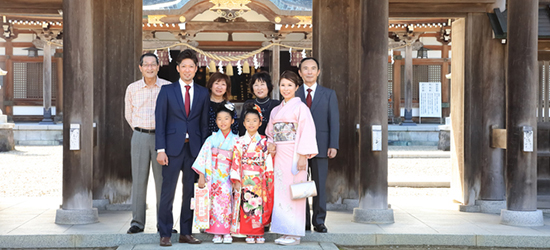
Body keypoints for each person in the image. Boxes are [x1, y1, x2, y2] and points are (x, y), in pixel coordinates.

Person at [155, 49, 210, 247]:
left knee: (190, 192)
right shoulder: (167, 91)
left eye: (191, 67)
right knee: (167, 191)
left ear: (196, 69)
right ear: (178, 69)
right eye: (184, 66)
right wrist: (160, 149)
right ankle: (165, 232)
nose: (187, 70)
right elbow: (160, 121)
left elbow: (204, 125)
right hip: (170, 149)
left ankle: (186, 232)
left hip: (193, 150)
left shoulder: (203, 93)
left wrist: (203, 155)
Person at [266, 70, 318, 245]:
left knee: (295, 193)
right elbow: (270, 133)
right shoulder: (275, 110)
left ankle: (295, 234)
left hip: (295, 154)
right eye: (282, 85)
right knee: (281, 193)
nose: (285, 89)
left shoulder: (301, 108)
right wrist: (271, 143)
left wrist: (303, 155)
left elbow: (308, 132)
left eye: (289, 85)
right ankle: (284, 230)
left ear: (297, 87)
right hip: (279, 155)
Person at [124, 53, 171, 234]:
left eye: (153, 64)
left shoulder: (167, 87)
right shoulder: (132, 88)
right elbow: (129, 115)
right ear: (140, 67)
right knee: (139, 180)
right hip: (140, 135)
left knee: (163, 182)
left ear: (158, 67)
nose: (150, 68)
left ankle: (163, 223)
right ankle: (137, 222)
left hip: (163, 138)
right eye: (146, 64)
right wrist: (141, 129)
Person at [297, 57, 340, 233]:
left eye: (312, 68)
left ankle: (319, 221)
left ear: (318, 72)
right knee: (301, 184)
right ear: (300, 73)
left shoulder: (328, 94)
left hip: (321, 146)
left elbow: (334, 121)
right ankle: (303, 220)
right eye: (305, 68)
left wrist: (333, 144)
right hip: (299, 149)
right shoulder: (294, 93)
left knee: (319, 185)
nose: (309, 71)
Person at [192, 102, 239, 244]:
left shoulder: (236, 140)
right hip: (213, 177)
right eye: (219, 119)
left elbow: (238, 161)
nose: (223, 122)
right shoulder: (211, 139)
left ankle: (228, 231)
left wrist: (236, 179)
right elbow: (202, 158)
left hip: (229, 177)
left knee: (228, 203)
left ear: (232, 121)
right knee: (214, 205)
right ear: (215, 121)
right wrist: (201, 176)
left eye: (226, 118)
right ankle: (216, 232)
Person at [230, 102, 274, 244]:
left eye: (254, 121)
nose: (251, 123)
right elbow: (236, 160)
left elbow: (268, 160)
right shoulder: (239, 142)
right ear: (243, 123)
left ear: (260, 123)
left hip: (259, 179)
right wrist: (236, 179)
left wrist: (268, 177)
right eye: (248, 121)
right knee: (247, 204)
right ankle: (249, 233)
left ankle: (259, 232)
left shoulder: (264, 141)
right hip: (245, 178)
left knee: (259, 206)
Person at [238, 71, 280, 136]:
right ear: (252, 88)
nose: (259, 88)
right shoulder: (248, 104)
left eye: (262, 84)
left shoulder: (276, 104)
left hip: (270, 142)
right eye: (256, 85)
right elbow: (242, 127)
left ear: (268, 86)